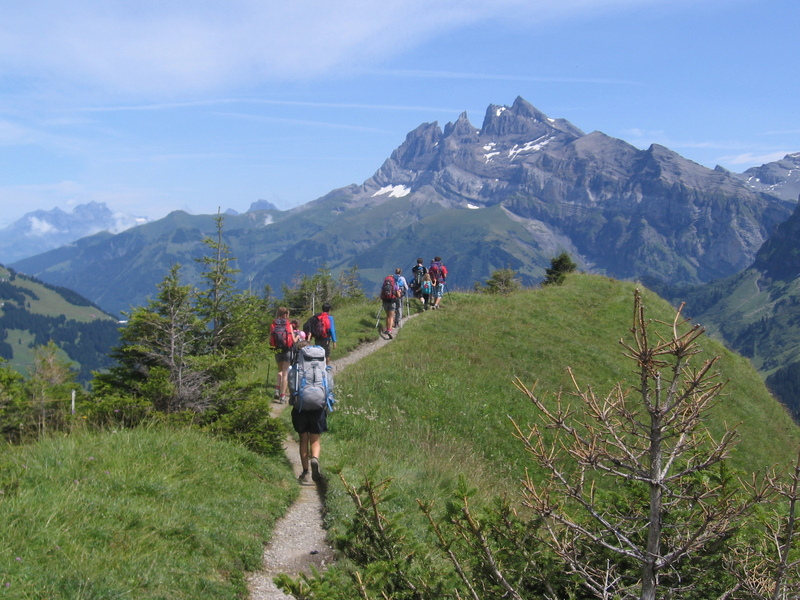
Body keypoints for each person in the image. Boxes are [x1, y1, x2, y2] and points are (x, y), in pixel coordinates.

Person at [290, 340, 329, 484]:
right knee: (315, 439)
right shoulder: (321, 365)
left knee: (303, 440)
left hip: (300, 408)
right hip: (318, 407)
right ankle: (315, 459)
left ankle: (305, 472)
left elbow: (292, 388)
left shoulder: (295, 368)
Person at [269, 306, 294, 403]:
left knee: (279, 370)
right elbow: (292, 339)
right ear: (286, 314)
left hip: (277, 350)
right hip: (287, 350)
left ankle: (276, 390)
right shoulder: (289, 325)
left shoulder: (273, 325)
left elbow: (271, 339)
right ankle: (282, 396)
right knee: (285, 373)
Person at [379, 273, 399, 338]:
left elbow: (381, 294)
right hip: (392, 302)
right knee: (391, 316)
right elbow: (398, 295)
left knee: (387, 316)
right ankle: (389, 330)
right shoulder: (394, 285)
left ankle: (387, 328)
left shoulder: (384, 285)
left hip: (385, 302)